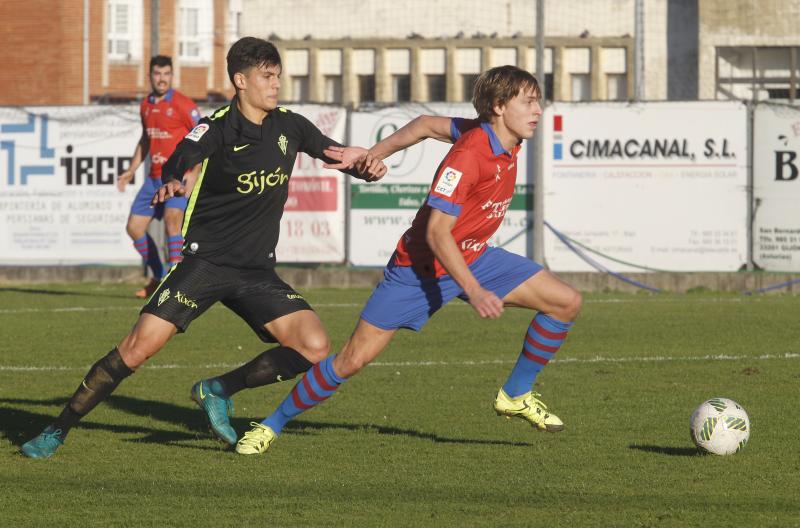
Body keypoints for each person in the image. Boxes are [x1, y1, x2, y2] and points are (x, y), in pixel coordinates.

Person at [20, 37, 386, 459]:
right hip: (205, 263)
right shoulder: (216, 127)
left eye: (278, 76)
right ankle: (57, 429)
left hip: (255, 272)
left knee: (314, 346)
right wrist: (173, 177)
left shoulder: (291, 125)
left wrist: (366, 166)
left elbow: (335, 154)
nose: (276, 84)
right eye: (268, 76)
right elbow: (183, 154)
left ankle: (217, 389)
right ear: (240, 81)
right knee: (137, 348)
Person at [234, 65, 583, 456]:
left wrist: (373, 154)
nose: (538, 110)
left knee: (565, 302)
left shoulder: (496, 135)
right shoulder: (469, 155)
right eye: (529, 102)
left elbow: (423, 125)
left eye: (538, 101)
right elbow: (436, 233)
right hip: (416, 271)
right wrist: (475, 290)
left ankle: (516, 393)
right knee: (351, 360)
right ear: (500, 106)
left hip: (473, 256)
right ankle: (269, 425)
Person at [117, 55, 202, 299]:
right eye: (157, 74)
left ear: (171, 76)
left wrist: (192, 174)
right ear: (150, 76)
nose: (161, 79)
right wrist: (131, 170)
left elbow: (201, 139)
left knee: (172, 219)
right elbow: (146, 140)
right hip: (154, 179)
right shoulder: (145, 105)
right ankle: (158, 275)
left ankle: (175, 284)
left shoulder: (185, 105)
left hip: (178, 177)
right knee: (134, 228)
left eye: (166, 74)